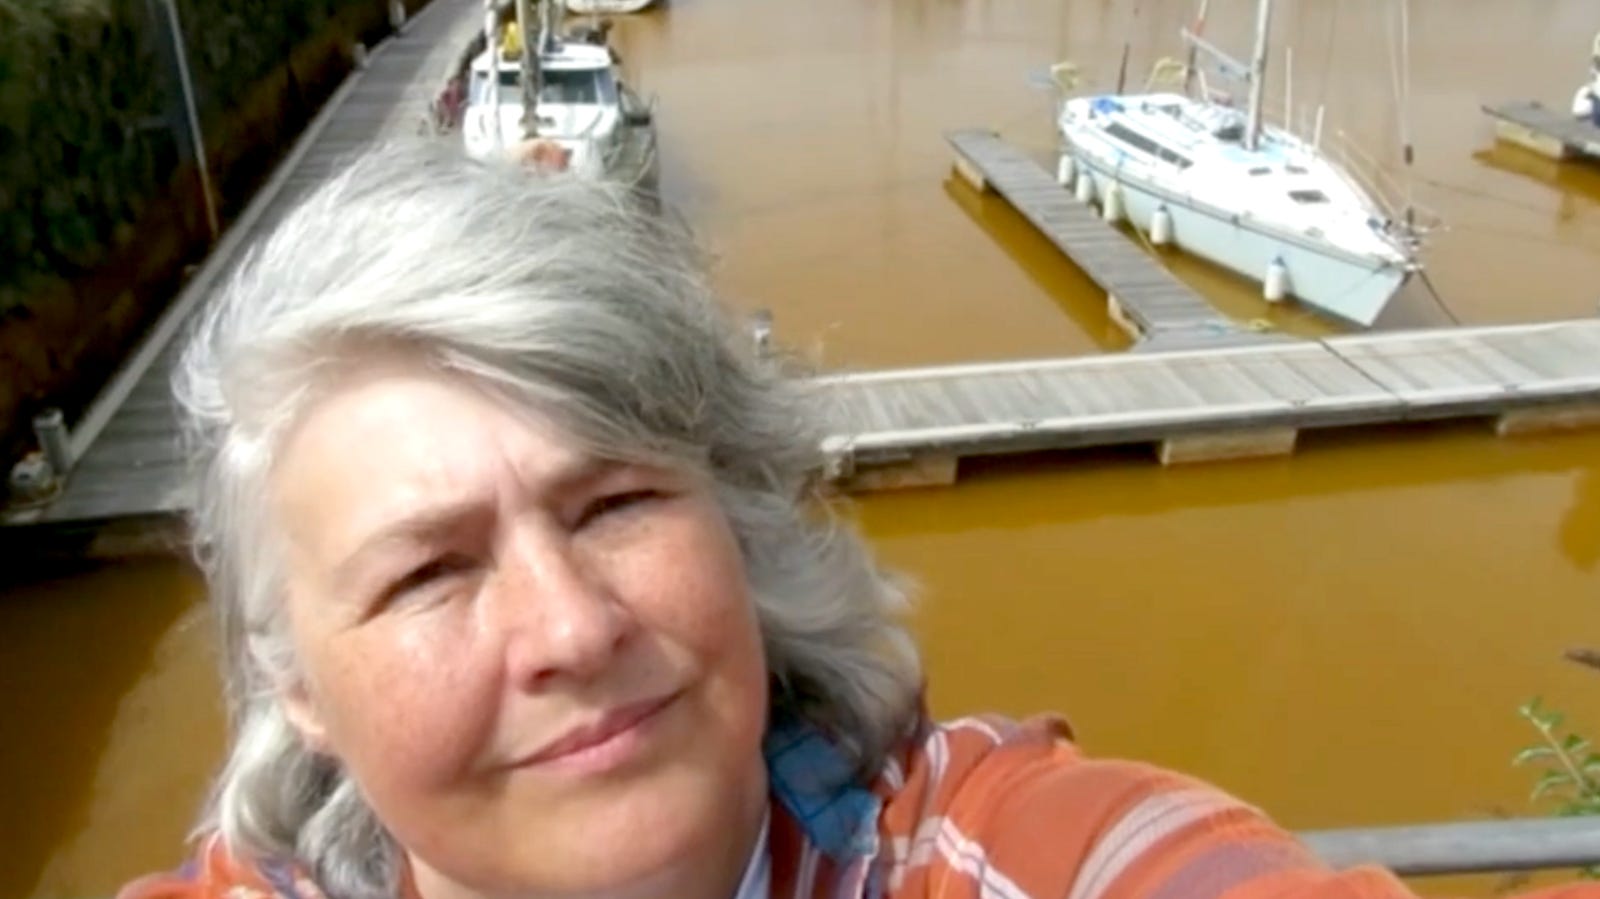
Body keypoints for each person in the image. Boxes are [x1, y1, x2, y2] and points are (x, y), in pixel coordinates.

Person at [119, 141, 1598, 899]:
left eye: (617, 502)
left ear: (736, 513)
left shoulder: (989, 858)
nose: (570, 625)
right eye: (431, 573)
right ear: (297, 685)